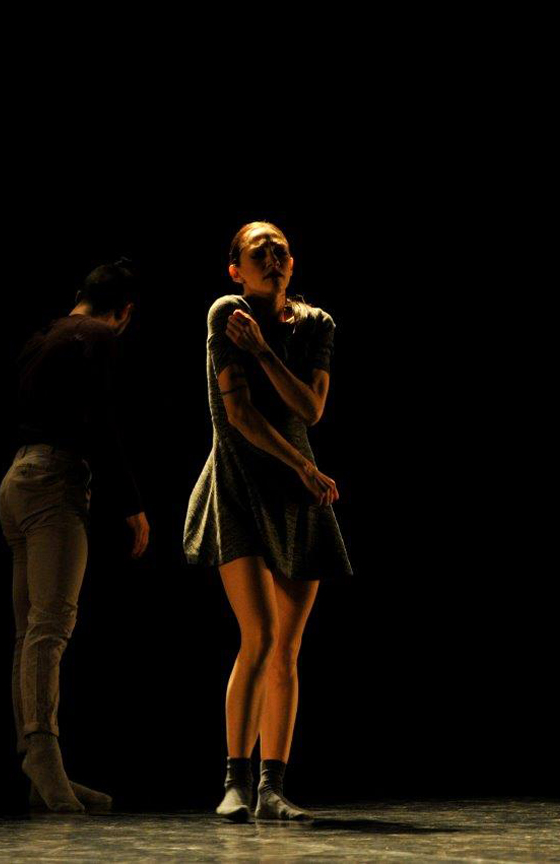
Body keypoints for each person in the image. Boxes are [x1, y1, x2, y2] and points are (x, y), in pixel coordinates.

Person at [184, 222, 353, 821]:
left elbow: (310, 408)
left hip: (297, 493)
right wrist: (302, 465)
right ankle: (235, 781)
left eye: (281, 250)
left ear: (292, 263)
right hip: (240, 483)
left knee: (288, 645)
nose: (273, 257)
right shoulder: (225, 312)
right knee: (257, 635)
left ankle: (272, 788)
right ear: (237, 269)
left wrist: (262, 351)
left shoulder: (316, 324)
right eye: (260, 251)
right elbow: (240, 416)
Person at [0, 260, 150, 813]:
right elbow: (101, 423)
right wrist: (131, 505)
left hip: (16, 480)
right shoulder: (98, 337)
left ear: (81, 294)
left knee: (30, 631)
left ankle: (39, 766)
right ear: (125, 312)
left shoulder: (42, 337)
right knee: (51, 627)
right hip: (55, 484)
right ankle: (43, 755)